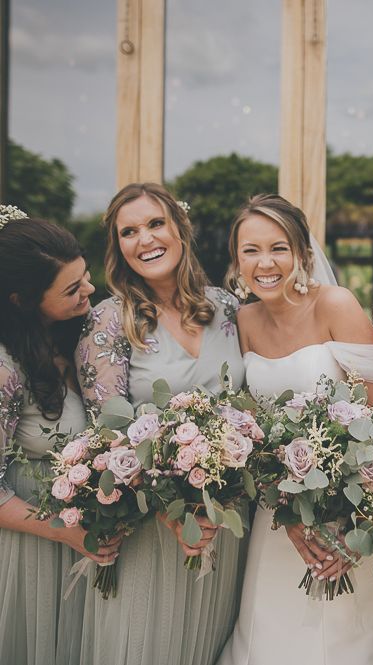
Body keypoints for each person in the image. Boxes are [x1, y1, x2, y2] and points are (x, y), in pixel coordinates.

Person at [217, 194, 373, 665]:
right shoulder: (244, 321)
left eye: (278, 247)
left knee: (338, 642)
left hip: (346, 512)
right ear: (236, 260)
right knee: (266, 639)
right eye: (250, 250)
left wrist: (356, 528)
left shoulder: (336, 305)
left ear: (301, 253)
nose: (265, 263)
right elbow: (251, 430)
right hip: (278, 520)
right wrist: (288, 512)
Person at [74, 183, 246, 665]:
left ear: (179, 229)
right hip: (152, 524)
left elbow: (254, 407)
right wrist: (174, 509)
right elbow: (107, 439)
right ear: (118, 247)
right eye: (129, 231)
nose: (144, 239)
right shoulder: (110, 320)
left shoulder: (226, 307)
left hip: (226, 522)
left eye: (154, 224)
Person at [0, 208, 119, 665]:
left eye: (86, 276)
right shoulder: (7, 369)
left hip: (83, 536)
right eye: (72, 289)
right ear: (22, 301)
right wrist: (65, 531)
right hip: (33, 544)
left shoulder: (80, 335)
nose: (89, 290)